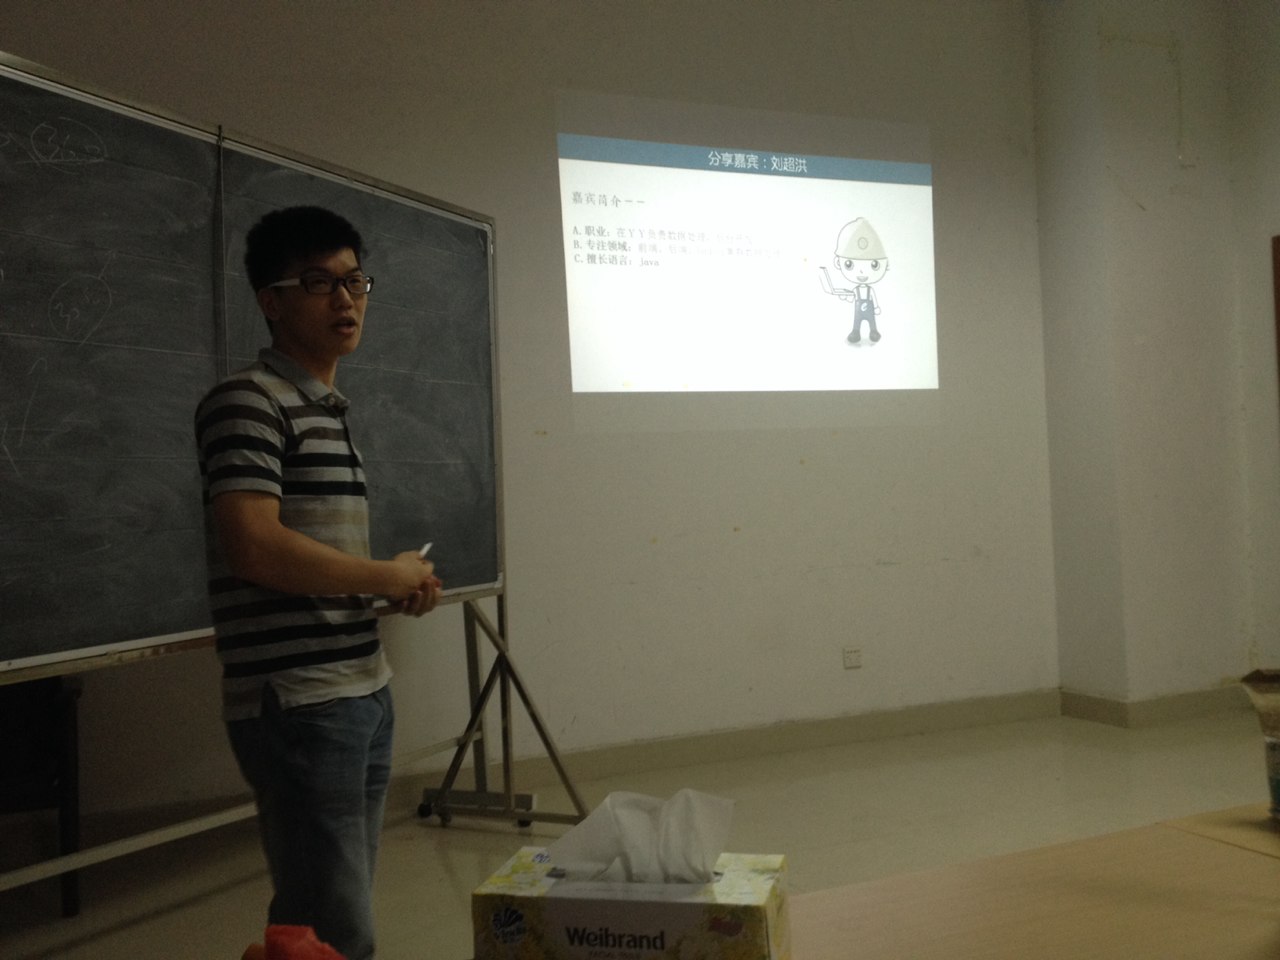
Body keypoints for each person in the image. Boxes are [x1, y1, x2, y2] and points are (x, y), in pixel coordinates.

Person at [195, 205, 441, 960]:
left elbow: (309, 562)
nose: (345, 299)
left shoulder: (326, 411)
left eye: (354, 281)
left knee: (326, 920)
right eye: (318, 283)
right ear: (270, 301)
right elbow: (254, 546)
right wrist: (381, 573)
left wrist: (388, 587)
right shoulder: (249, 401)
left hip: (360, 687)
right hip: (300, 701)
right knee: (333, 928)